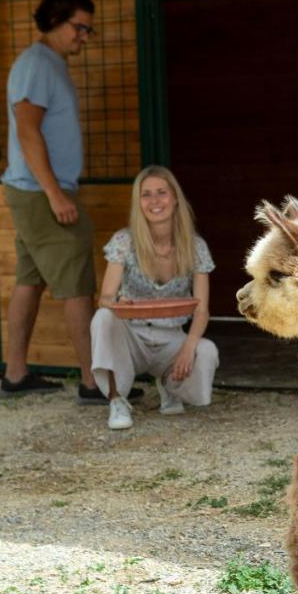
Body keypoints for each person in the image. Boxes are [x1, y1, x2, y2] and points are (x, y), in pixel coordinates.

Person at [0, 0, 122, 403]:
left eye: (89, 30)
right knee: (76, 286)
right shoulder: (37, 64)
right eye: (79, 28)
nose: (84, 36)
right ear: (55, 21)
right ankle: (95, 382)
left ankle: (15, 375)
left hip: (34, 191)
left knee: (29, 281)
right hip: (41, 193)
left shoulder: (47, 64)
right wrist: (55, 194)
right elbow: (27, 130)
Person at [90, 166, 219, 430]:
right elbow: (105, 298)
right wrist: (116, 304)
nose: (155, 201)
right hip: (132, 336)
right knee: (103, 318)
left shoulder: (195, 246)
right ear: (138, 203)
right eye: (146, 195)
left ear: (174, 198)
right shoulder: (124, 241)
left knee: (206, 351)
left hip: (172, 334)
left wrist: (189, 346)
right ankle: (117, 400)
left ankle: (171, 386)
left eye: (161, 192)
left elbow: (202, 308)